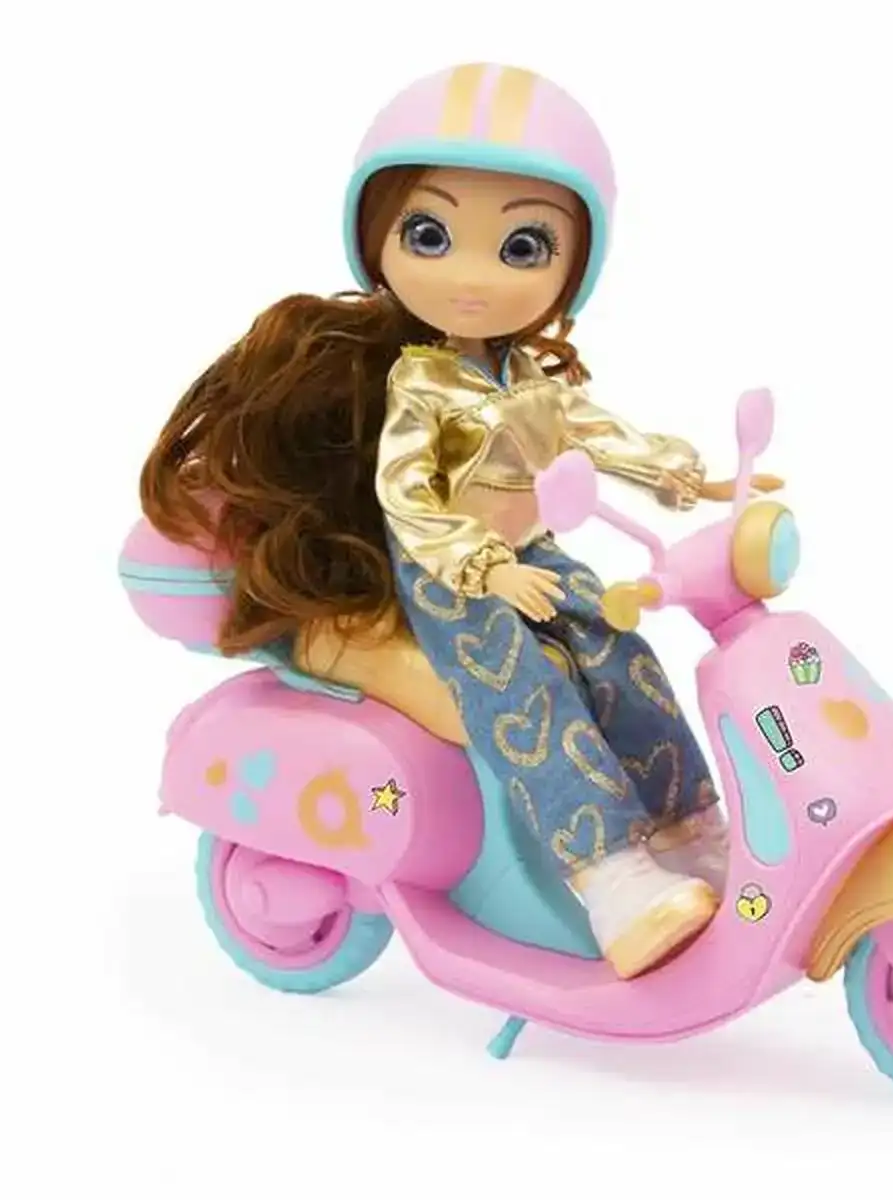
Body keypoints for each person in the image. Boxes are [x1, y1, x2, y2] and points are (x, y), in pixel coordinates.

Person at [140, 62, 780, 979]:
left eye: (522, 246)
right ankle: (608, 873)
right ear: (376, 241)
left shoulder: (527, 377)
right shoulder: (421, 383)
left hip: (533, 552)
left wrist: (693, 478)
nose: (473, 278)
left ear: (574, 265)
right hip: (449, 576)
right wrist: (482, 569)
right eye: (430, 235)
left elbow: (596, 431)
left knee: (620, 655)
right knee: (524, 688)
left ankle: (690, 830)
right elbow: (407, 496)